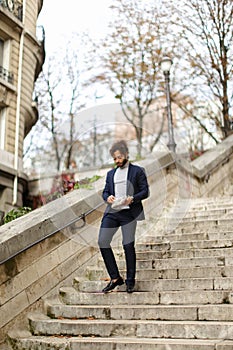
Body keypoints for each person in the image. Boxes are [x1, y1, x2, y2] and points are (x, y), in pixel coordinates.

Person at [98, 140, 149, 293]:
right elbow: (105, 192)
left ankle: (130, 280)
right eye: (114, 159)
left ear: (126, 154)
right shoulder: (111, 174)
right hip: (112, 213)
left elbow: (145, 191)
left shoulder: (138, 171)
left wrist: (132, 198)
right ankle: (115, 278)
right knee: (102, 241)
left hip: (129, 213)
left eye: (119, 157)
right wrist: (108, 198)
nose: (117, 161)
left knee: (127, 245)